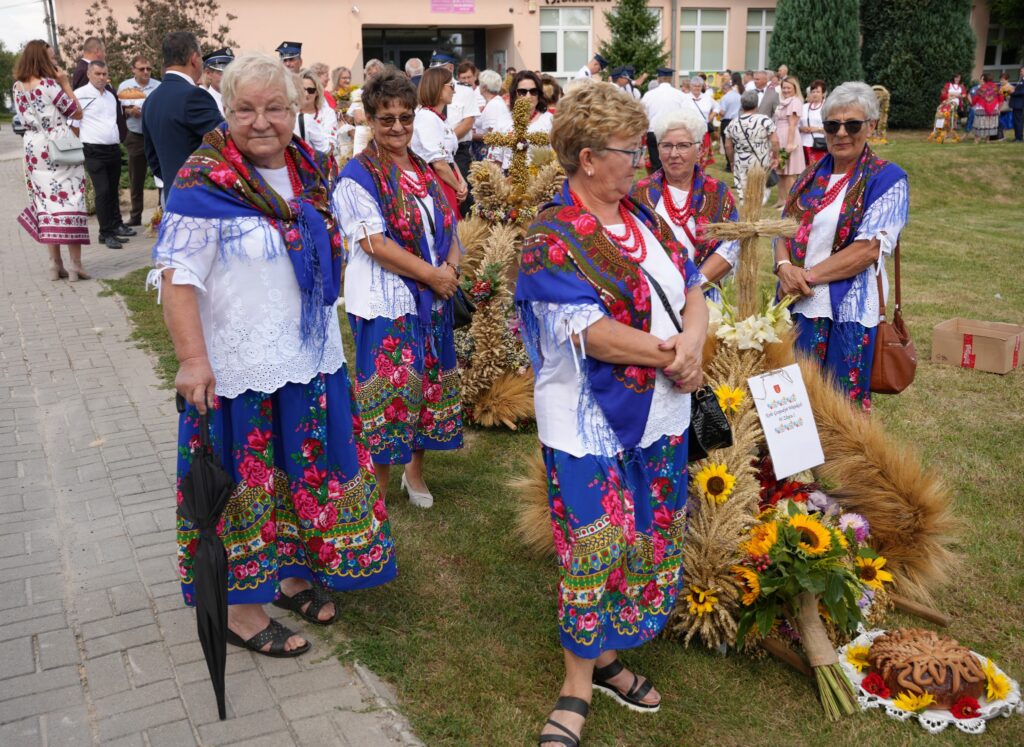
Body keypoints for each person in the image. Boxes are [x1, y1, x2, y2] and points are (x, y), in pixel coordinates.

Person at [149, 51, 396, 658]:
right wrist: (191, 361)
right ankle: (241, 608)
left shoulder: (310, 166)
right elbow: (177, 278)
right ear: (225, 110)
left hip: (308, 358)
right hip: (237, 366)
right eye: (245, 109)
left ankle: (288, 575)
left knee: (300, 474)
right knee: (245, 488)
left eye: (276, 107)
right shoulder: (202, 180)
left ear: (297, 108)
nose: (262, 121)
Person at [515, 81, 707, 747]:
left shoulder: (646, 218)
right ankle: (575, 681)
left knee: (643, 537)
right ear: (590, 157)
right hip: (586, 420)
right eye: (633, 150)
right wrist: (673, 353)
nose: (644, 161)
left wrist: (693, 342)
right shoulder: (551, 239)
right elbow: (590, 333)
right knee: (592, 543)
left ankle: (605, 656)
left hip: (661, 413)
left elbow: (692, 287)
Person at [335, 68, 463, 508]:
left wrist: (450, 267)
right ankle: (378, 491)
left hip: (432, 298)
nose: (397, 127)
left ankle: (416, 474)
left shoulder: (423, 169)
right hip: (387, 299)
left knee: (425, 387)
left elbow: (448, 225)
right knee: (389, 394)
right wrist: (433, 276)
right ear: (370, 120)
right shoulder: (357, 175)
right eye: (386, 118)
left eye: (405, 118)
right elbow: (374, 243)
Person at [774, 81, 909, 413]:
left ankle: (842, 466)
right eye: (833, 125)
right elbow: (782, 229)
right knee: (797, 406)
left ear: (871, 126)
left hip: (850, 309)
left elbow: (868, 250)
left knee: (841, 409)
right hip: (801, 305)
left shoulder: (888, 179)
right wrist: (783, 267)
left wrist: (806, 276)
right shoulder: (809, 176)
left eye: (853, 124)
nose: (841, 133)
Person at [632, 110, 740, 301]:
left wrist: (694, 286)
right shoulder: (640, 193)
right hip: (654, 299)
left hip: (704, 296)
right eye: (666, 146)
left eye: (683, 146)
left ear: (699, 151)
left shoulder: (717, 193)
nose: (674, 154)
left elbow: (731, 245)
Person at [14, 40, 90, 280]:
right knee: (70, 199)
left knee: (45, 203)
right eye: (52, 57)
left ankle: (54, 265)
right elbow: (76, 112)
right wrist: (66, 83)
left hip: (32, 147)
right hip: (58, 145)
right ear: (42, 59)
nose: (55, 61)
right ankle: (76, 265)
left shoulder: (17, 87)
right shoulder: (49, 85)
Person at [142, 32, 224, 203]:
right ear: (194, 58)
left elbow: (153, 159)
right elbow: (226, 144)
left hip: (173, 196)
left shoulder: (151, 100)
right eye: (201, 58)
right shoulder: (194, 96)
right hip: (202, 197)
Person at [75, 60, 134, 249]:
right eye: (98, 74)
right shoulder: (80, 95)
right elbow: (73, 124)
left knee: (112, 191)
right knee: (102, 192)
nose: (102, 78)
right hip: (93, 149)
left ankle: (114, 227)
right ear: (89, 75)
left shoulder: (110, 96)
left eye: (104, 74)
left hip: (112, 149)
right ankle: (105, 233)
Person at [412, 66, 467, 218]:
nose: (454, 91)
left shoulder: (438, 118)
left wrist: (461, 182)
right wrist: (458, 186)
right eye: (451, 86)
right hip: (438, 181)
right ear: (438, 87)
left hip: (448, 180)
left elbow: (448, 157)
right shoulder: (426, 118)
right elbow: (439, 164)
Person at [430, 53, 479, 211]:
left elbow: (468, 122)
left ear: (450, 69)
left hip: (458, 151)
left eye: (440, 70)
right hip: (437, 154)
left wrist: (446, 141)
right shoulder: (433, 91)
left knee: (464, 197)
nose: (435, 75)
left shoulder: (464, 91)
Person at [117, 55, 161, 227]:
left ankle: (161, 214)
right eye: (142, 69)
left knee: (160, 177)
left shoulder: (158, 86)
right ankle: (135, 216)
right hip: (135, 135)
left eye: (148, 69)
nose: (146, 72)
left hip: (156, 135)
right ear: (133, 70)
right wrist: (129, 111)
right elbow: (118, 109)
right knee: (136, 178)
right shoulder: (125, 86)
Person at [724, 89, 780, 202]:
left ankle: (746, 214)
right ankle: (756, 213)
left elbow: (728, 146)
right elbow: (775, 142)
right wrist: (775, 157)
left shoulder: (733, 122)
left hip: (741, 161)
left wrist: (731, 161)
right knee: (760, 192)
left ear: (742, 104)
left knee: (744, 193)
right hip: (761, 160)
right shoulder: (765, 120)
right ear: (756, 104)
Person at [641, 67, 687, 172]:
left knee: (656, 163)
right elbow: (686, 115)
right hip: (672, 132)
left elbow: (642, 114)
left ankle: (659, 185)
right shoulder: (680, 95)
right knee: (673, 162)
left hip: (653, 131)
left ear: (659, 78)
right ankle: (671, 184)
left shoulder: (649, 95)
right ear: (670, 79)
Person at [773, 75, 806, 207]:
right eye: (784, 87)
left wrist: (789, 144)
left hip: (788, 136)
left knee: (789, 173)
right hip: (780, 136)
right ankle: (781, 199)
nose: (786, 90)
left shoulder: (795, 101)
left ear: (794, 88)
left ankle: (790, 202)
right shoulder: (784, 101)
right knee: (781, 171)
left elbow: (792, 124)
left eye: (788, 88)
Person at [473, 68, 512, 163]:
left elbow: (492, 135)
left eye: (479, 83)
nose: (478, 86)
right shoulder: (496, 101)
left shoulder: (493, 105)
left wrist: (470, 136)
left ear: (485, 87)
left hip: (490, 153)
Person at [294, 69, 331, 154]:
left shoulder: (327, 114)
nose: (306, 94)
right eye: (302, 90)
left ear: (317, 92)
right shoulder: (289, 114)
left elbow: (327, 149)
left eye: (311, 90)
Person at [684, 76, 718, 168]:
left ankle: (701, 177)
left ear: (702, 87)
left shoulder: (707, 98)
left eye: (699, 86)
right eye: (695, 86)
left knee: (703, 157)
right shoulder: (684, 98)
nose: (697, 88)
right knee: (689, 157)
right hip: (689, 132)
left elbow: (717, 106)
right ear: (690, 86)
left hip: (704, 132)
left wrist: (711, 116)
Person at [799, 79, 827, 166]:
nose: (815, 94)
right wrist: (801, 128)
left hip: (819, 144)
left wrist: (817, 129)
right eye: (813, 91)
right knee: (804, 170)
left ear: (823, 93)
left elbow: (832, 127)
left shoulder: (826, 107)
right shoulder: (804, 107)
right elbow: (797, 124)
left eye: (818, 92)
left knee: (817, 169)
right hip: (803, 143)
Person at [718, 72, 743, 171]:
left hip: (727, 121)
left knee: (727, 143)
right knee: (737, 143)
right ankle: (738, 163)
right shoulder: (739, 96)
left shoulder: (725, 97)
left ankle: (729, 165)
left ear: (725, 89)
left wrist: (718, 112)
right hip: (737, 120)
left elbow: (723, 112)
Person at [200, 47, 233, 115]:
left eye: (230, 73)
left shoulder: (239, 99)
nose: (227, 77)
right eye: (221, 73)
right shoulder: (203, 101)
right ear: (208, 74)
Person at [971, 73, 1002, 143]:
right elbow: (1001, 98)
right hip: (993, 109)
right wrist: (999, 108)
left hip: (981, 108)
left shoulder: (982, 88)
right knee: (989, 124)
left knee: (979, 123)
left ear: (984, 79)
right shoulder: (996, 87)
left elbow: (975, 98)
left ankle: (976, 140)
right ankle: (987, 140)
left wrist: (973, 104)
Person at [1010, 67, 1024, 142]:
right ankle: (1017, 137)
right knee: (1016, 121)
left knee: (1018, 121)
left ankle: (1019, 138)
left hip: (1019, 104)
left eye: (1022, 71)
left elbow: (1022, 92)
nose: (1020, 72)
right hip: (1016, 104)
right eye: (1020, 71)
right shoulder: (1021, 80)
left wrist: (1013, 92)